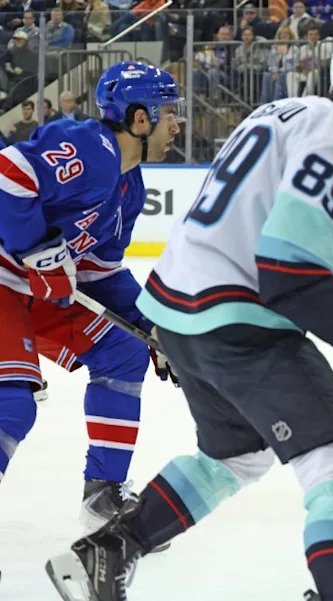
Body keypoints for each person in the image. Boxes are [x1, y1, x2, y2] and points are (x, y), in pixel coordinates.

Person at [46, 26, 333, 601]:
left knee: (237, 455)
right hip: (236, 320)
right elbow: (288, 266)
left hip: (176, 312)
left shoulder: (282, 112)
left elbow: (306, 252)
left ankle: (105, 554)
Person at [0, 61, 182, 532]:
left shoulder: (130, 188)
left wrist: (152, 326)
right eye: (169, 114)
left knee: (123, 352)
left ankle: (103, 494)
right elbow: (9, 174)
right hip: (5, 277)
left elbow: (99, 271)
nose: (176, 126)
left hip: (31, 289)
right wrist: (38, 249)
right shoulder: (90, 146)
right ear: (140, 118)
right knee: (11, 405)